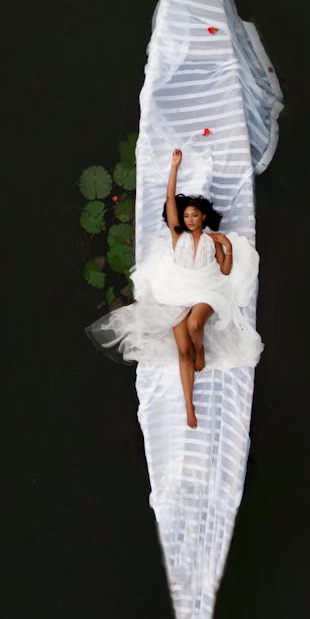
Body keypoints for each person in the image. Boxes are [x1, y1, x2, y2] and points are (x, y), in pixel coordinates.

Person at [86, 148, 263, 428]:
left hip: (207, 290)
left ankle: (201, 350)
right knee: (183, 352)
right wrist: (174, 167)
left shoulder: (212, 240)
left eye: (195, 215)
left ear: (203, 217)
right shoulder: (176, 234)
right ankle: (189, 406)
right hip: (176, 290)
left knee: (194, 326)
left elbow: (225, 270)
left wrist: (227, 247)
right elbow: (170, 198)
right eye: (187, 215)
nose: (190, 219)